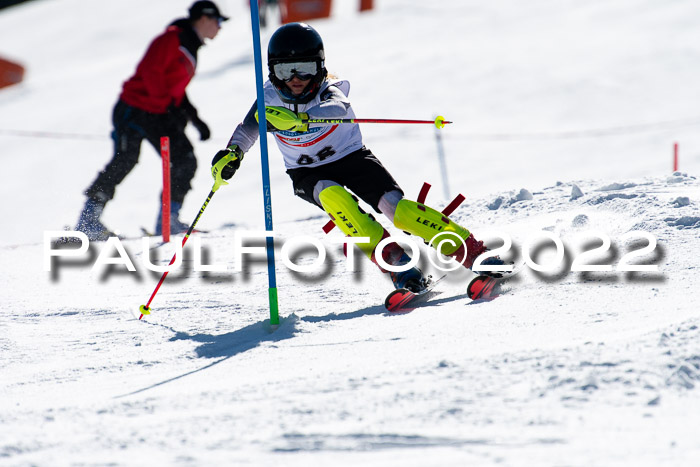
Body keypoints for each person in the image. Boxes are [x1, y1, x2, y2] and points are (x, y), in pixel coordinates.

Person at [211, 23, 501, 292]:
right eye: (287, 70)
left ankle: (473, 252)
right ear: (274, 70)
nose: (297, 79)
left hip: (352, 158)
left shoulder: (330, 85)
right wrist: (231, 155)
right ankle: (398, 265)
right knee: (335, 199)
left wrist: (303, 120)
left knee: (399, 211)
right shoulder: (268, 97)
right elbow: (248, 130)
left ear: (320, 66)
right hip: (307, 173)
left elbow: (337, 108)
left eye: (305, 69)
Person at [75, 1, 229, 240]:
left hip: (157, 113)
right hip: (134, 109)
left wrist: (193, 117)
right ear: (205, 18)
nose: (219, 28)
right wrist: (167, 107)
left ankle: (168, 222)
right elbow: (150, 72)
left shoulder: (189, 46)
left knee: (184, 159)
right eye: (218, 21)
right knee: (125, 159)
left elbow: (174, 87)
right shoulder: (171, 39)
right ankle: (88, 221)